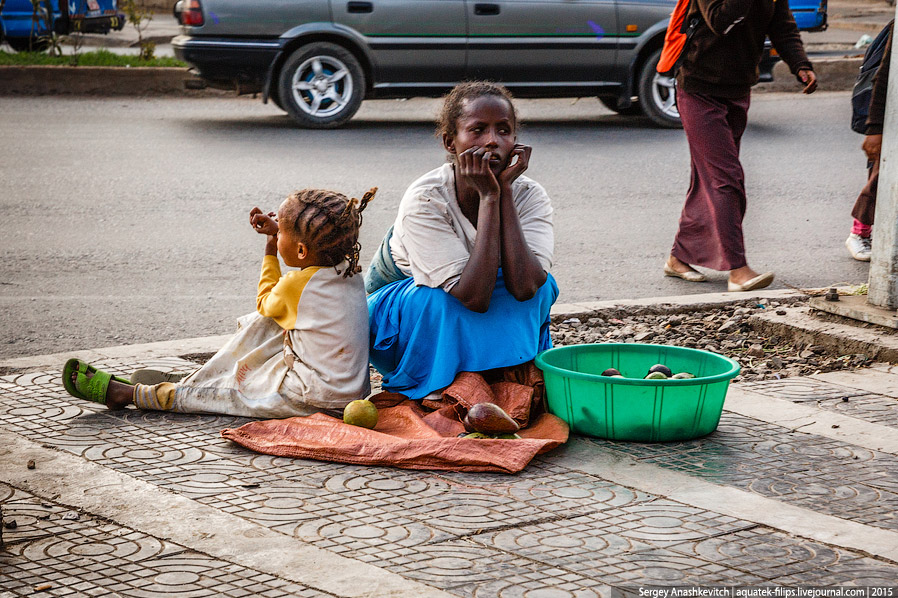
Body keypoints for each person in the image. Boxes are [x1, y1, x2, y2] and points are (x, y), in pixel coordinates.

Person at [63, 188, 376, 418]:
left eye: (281, 232)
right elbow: (293, 272)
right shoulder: (348, 271)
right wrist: (280, 234)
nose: (276, 234)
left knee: (226, 388)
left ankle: (134, 394)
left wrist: (270, 249)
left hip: (311, 399)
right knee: (271, 324)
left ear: (302, 252)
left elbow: (265, 300)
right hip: (349, 394)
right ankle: (212, 374)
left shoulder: (296, 286)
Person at [365, 81, 558, 400]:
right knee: (441, 299)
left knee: (542, 286)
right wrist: (488, 196)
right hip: (403, 318)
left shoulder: (528, 194)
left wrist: (504, 193)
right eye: (478, 130)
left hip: (470, 293)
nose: (493, 141)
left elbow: (526, 287)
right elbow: (472, 297)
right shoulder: (425, 198)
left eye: (504, 131)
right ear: (450, 142)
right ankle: (434, 381)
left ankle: (502, 369)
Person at [663, 0, 818, 291]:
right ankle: (738, 269)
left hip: (737, 89)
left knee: (706, 180)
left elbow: (783, 26)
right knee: (726, 179)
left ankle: (678, 257)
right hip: (698, 88)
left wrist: (800, 65)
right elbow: (721, 21)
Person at [846, 21, 893, 262]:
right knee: (881, 176)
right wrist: (874, 128)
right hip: (891, 115)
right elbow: (881, 77)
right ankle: (860, 233)